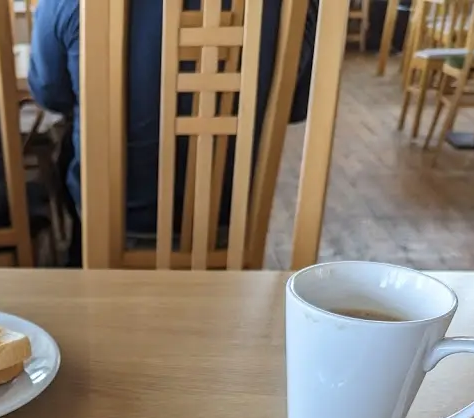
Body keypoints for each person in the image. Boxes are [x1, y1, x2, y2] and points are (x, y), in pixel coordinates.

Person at [28, 0, 318, 264]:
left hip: (111, 222)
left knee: (65, 147)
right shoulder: (296, 6)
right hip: (232, 221)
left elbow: (52, 97)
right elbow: (292, 109)